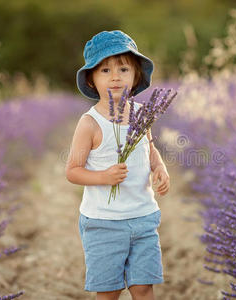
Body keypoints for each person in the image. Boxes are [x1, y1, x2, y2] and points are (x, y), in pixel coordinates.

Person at [65, 30, 170, 300]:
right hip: (104, 223)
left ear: (136, 76)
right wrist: (104, 176)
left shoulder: (141, 116)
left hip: (143, 217)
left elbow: (150, 148)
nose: (115, 76)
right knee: (108, 291)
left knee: (143, 288)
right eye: (105, 70)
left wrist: (159, 167)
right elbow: (72, 172)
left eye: (123, 68)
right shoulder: (90, 123)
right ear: (91, 79)